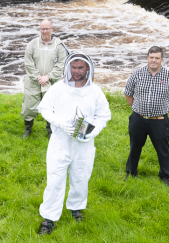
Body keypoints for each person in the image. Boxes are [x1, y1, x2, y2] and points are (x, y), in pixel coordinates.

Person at [35, 52, 111, 235]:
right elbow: (44, 108)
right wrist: (59, 123)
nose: (76, 71)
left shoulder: (95, 91)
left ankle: (76, 207)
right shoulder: (58, 88)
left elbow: (104, 115)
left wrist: (94, 131)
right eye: (73, 67)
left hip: (84, 145)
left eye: (80, 68)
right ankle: (49, 218)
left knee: (81, 177)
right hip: (60, 143)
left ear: (88, 69)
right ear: (68, 68)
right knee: (55, 180)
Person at [123, 46, 169, 185]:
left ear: (162, 60)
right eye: (151, 57)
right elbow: (128, 92)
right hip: (138, 119)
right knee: (134, 147)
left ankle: (165, 176)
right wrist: (136, 109)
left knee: (163, 149)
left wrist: (165, 111)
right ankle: (131, 172)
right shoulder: (137, 74)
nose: (153, 60)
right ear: (147, 58)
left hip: (159, 121)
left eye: (157, 58)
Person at [21, 19, 68, 138]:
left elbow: (62, 63)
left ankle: (51, 131)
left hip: (51, 82)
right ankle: (28, 129)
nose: (45, 31)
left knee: (52, 106)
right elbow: (28, 62)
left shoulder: (59, 45)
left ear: (52, 29)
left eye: (47, 28)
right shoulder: (32, 44)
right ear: (40, 29)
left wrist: (48, 77)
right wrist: (38, 77)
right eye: (43, 29)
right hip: (33, 81)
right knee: (29, 106)